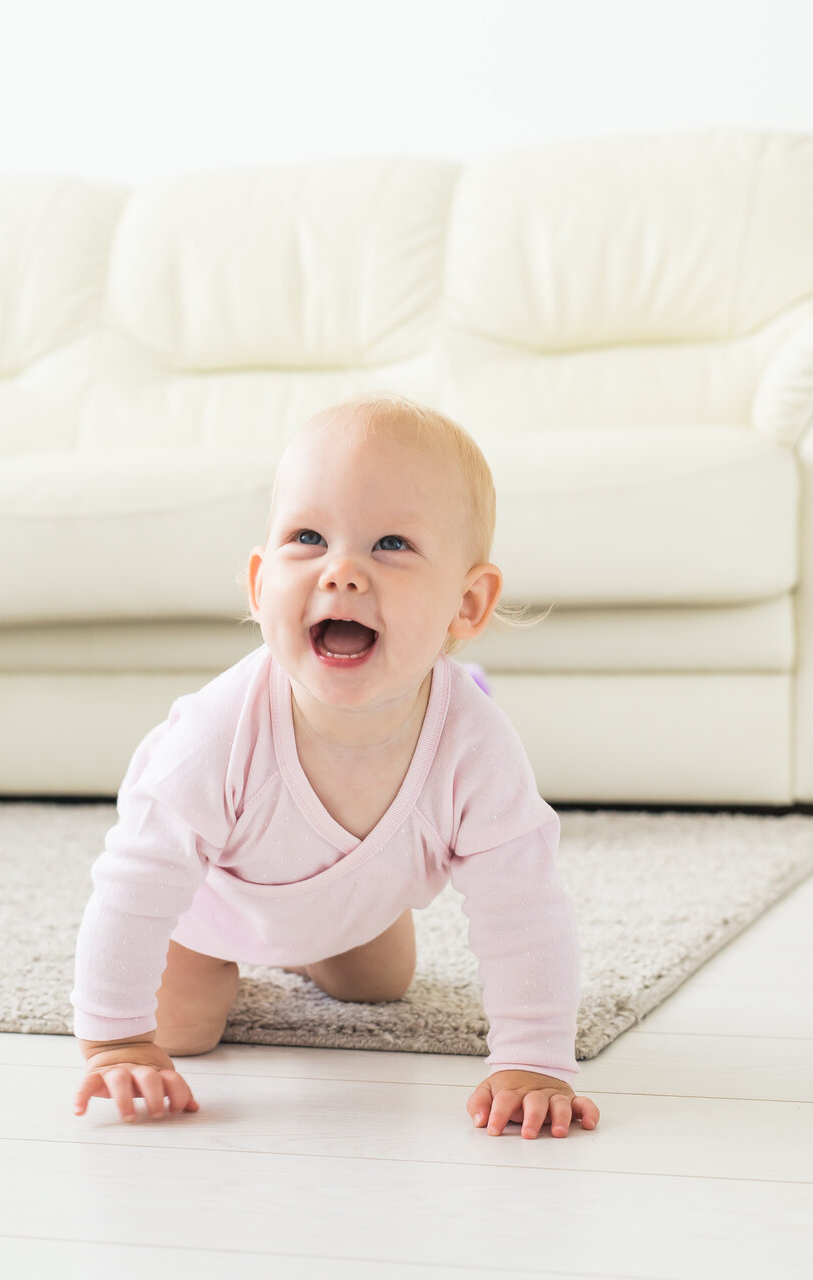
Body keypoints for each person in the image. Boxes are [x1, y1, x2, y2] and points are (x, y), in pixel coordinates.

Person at [68, 392, 601, 1140]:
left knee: (380, 985)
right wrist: (117, 1039)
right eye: (309, 537)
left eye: (392, 545)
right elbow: (136, 881)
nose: (343, 571)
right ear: (259, 587)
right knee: (182, 1027)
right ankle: (218, 966)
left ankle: (319, 947)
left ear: (467, 604)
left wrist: (535, 1060)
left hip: (354, 903)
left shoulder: (474, 745)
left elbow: (524, 907)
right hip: (208, 910)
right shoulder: (221, 731)